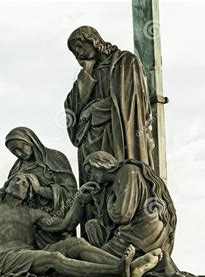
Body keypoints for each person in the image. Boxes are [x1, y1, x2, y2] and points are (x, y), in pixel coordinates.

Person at [0, 173, 163, 277]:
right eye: (16, 180)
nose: (20, 184)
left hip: (27, 254)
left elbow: (63, 225)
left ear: (29, 193)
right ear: (7, 185)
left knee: (75, 243)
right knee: (54, 258)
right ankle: (117, 270)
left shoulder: (32, 213)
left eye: (26, 184)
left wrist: (78, 200)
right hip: (5, 259)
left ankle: (123, 264)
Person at [64, 26, 154, 186]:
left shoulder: (125, 61)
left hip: (117, 134)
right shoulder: (87, 73)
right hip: (90, 140)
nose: (78, 53)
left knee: (116, 180)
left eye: (79, 46)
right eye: (74, 52)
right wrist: (86, 73)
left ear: (92, 40)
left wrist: (93, 109)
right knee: (94, 186)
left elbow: (129, 101)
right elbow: (72, 106)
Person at [0, 127, 78, 248]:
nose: (19, 153)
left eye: (21, 148)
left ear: (30, 141)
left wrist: (40, 190)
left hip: (54, 221)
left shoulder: (55, 157)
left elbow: (71, 193)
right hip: (28, 223)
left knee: (56, 257)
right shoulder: (17, 167)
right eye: (14, 151)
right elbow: (9, 187)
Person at [80, 151, 177, 260]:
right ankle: (135, 265)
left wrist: (110, 203)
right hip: (138, 230)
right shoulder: (111, 185)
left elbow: (122, 215)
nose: (91, 178)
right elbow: (108, 224)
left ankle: (125, 267)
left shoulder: (128, 171)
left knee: (94, 258)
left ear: (100, 164)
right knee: (92, 226)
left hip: (144, 231)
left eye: (90, 171)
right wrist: (97, 197)